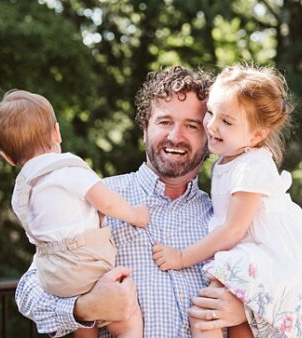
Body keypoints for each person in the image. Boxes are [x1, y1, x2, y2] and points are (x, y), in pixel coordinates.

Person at [16, 65, 251, 337]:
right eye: (164, 122)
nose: (176, 136)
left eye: (192, 125)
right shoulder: (93, 198)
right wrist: (83, 307)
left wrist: (245, 310)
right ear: (144, 128)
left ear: (210, 135)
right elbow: (29, 291)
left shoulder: (227, 217)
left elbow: (287, 289)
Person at [150, 64, 302, 337]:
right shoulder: (229, 158)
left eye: (227, 121)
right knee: (224, 316)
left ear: (257, 135)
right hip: (246, 250)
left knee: (206, 314)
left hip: (265, 253)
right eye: (211, 112)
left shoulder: (252, 166)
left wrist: (182, 257)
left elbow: (233, 230)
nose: (211, 125)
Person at [0, 89, 149, 338]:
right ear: (57, 132)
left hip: (52, 274)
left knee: (83, 325)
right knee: (128, 319)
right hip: (85, 263)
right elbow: (108, 202)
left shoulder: (24, 191)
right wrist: (136, 215)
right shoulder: (67, 168)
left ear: (7, 158)